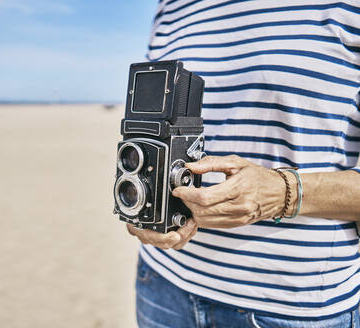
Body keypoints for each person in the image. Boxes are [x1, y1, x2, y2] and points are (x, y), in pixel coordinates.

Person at [126, 1, 360, 327]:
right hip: (163, 281)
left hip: (290, 308)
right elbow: (151, 129)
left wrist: (282, 192)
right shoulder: (173, 6)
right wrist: (146, 205)